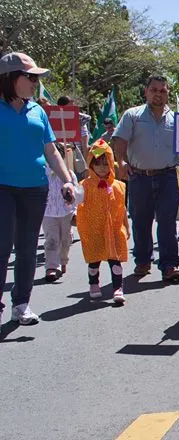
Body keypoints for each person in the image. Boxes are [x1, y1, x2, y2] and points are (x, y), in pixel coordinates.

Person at [0, 52, 75, 325]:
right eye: (30, 77)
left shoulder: (38, 111)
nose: (35, 82)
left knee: (28, 247)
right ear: (10, 79)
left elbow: (51, 150)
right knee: (2, 244)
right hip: (3, 188)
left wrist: (67, 179)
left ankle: (21, 304)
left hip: (35, 188)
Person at [113, 75, 179, 282]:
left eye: (163, 90)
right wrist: (121, 163)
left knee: (167, 222)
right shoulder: (132, 115)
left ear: (167, 93)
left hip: (167, 176)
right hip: (139, 177)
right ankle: (142, 261)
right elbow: (120, 141)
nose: (158, 94)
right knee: (141, 220)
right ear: (146, 92)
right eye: (154, 90)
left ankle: (169, 265)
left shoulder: (178, 120)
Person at [77, 139, 129, 303]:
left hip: (114, 229)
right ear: (91, 163)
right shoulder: (84, 185)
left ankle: (117, 288)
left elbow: (122, 208)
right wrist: (70, 193)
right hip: (94, 228)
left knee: (116, 259)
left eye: (105, 163)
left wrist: (126, 226)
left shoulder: (119, 186)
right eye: (97, 163)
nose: (102, 167)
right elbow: (76, 202)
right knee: (94, 259)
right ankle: (94, 284)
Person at [43, 143, 78, 282]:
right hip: (48, 213)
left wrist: (75, 211)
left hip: (66, 212)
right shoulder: (42, 173)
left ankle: (63, 260)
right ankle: (51, 267)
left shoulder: (69, 174)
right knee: (51, 240)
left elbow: (76, 194)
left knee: (66, 240)